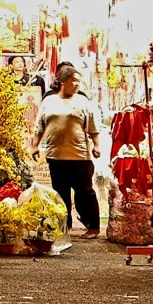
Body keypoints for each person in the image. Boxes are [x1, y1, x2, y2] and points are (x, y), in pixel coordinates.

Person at [30, 64, 102, 239]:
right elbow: (40, 126)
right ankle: (64, 227)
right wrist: (35, 145)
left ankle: (93, 226)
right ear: (63, 82)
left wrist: (96, 145)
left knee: (85, 192)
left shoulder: (82, 101)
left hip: (79, 156)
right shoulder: (49, 101)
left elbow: (93, 126)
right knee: (60, 193)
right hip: (56, 156)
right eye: (74, 81)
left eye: (78, 81)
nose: (77, 84)